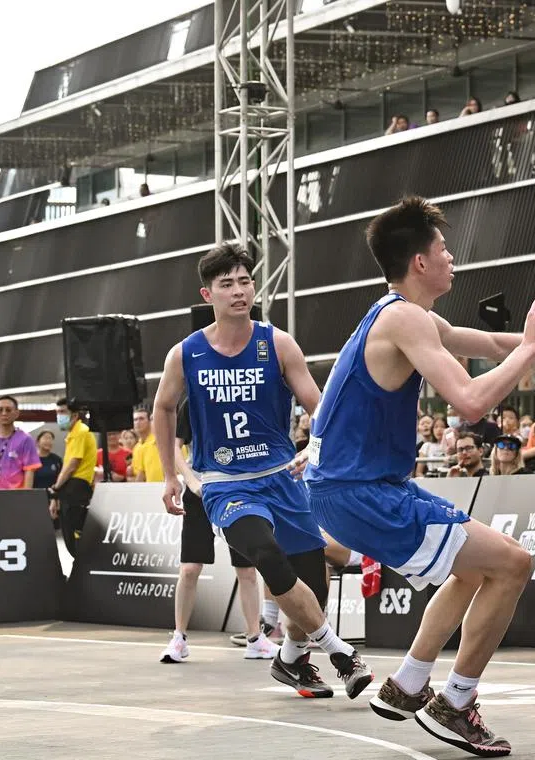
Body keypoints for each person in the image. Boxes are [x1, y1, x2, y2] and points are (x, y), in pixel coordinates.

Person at [303, 196, 535, 756]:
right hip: (358, 492)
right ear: (420, 262)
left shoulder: (404, 313)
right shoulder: (404, 319)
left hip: (358, 488)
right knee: (512, 563)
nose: (451, 258)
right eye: (443, 249)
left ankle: (409, 683)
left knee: (476, 567)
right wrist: (532, 348)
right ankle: (455, 702)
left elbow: (489, 343)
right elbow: (472, 402)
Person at [152, 242, 372, 699]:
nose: (238, 291)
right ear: (208, 294)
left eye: (245, 281)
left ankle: (290, 659)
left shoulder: (277, 343)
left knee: (312, 581)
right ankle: (340, 652)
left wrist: (315, 447)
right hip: (226, 485)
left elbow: (317, 405)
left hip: (281, 478)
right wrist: (171, 475)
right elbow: (163, 407)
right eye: (226, 284)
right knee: (267, 555)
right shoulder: (186, 354)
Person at [160, 397, 275, 663]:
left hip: (237, 492)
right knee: (190, 569)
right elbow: (175, 446)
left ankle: (255, 639)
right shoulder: (193, 401)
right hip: (200, 493)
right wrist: (191, 482)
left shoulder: (244, 398)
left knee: (247, 570)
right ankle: (179, 638)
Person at [47, 399, 98, 556]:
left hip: (77, 487)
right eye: (57, 412)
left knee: (75, 533)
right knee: (68, 533)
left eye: (62, 412)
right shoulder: (72, 435)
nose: (59, 416)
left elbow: (72, 465)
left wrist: (56, 487)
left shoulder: (80, 432)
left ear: (75, 415)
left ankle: (80, 566)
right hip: (70, 488)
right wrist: (56, 494)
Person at [0, 395, 41, 490]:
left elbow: (29, 470)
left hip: (14, 494)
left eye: (8, 410)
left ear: (16, 413)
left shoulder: (25, 439)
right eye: (0, 410)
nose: (4, 413)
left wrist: (26, 496)